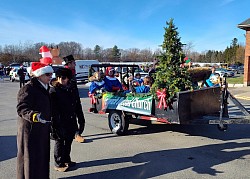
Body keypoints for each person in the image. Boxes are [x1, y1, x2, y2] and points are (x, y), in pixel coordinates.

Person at [16, 62, 54, 179]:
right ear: (39, 75)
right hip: (30, 130)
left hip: (42, 128)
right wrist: (33, 115)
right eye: (47, 74)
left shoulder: (46, 87)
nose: (50, 77)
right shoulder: (28, 88)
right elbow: (22, 108)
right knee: (30, 159)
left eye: (51, 74)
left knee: (41, 157)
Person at [50, 68, 85, 172]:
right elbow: (52, 110)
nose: (64, 80)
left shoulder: (71, 88)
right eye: (62, 78)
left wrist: (81, 119)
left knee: (69, 140)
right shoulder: (53, 91)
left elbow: (77, 104)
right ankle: (58, 163)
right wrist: (54, 125)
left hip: (71, 119)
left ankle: (66, 159)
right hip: (59, 121)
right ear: (58, 78)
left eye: (66, 78)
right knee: (60, 141)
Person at [63, 54, 85, 143]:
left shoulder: (72, 71)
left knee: (81, 118)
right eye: (74, 63)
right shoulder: (65, 73)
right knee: (73, 118)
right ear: (69, 63)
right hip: (69, 99)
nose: (75, 64)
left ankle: (77, 133)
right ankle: (76, 134)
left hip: (75, 97)